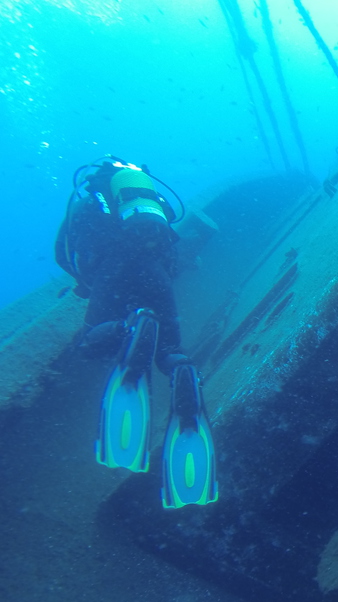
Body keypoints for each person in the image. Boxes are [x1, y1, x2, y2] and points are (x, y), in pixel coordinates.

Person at [55, 156, 217, 509]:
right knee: (171, 350)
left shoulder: (88, 203)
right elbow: (170, 242)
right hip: (154, 271)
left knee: (90, 344)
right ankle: (182, 370)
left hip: (111, 272)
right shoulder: (149, 201)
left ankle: (133, 326)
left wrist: (85, 283)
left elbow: (64, 255)